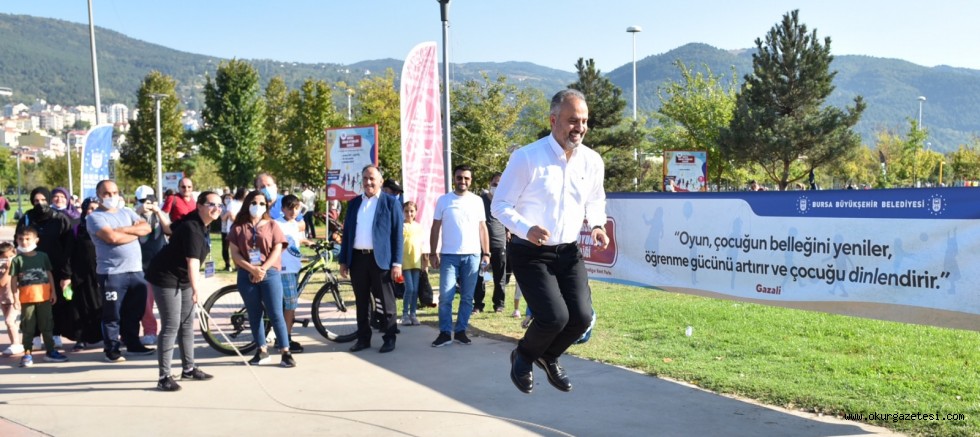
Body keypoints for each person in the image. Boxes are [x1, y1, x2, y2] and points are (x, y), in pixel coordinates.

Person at [491, 89, 609, 394]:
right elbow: (500, 204)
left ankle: (549, 355)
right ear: (553, 120)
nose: (580, 127)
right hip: (530, 253)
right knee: (554, 317)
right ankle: (524, 356)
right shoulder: (527, 157)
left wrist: (596, 225)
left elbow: (595, 199)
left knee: (581, 317)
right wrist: (525, 227)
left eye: (584, 121)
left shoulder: (592, 161)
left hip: (569, 252)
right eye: (572, 120)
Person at [145, 191, 221, 391]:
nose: (216, 208)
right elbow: (193, 262)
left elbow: (170, 229)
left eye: (219, 205)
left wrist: (192, 287)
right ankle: (164, 376)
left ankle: (188, 368)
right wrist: (197, 290)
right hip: (165, 276)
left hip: (183, 277)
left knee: (187, 323)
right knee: (171, 324)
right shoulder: (193, 228)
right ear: (200, 205)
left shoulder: (201, 223)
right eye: (211, 204)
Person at [87, 179, 156, 362]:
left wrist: (124, 230)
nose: (111, 197)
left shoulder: (127, 212)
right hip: (112, 273)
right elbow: (111, 238)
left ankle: (133, 344)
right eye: (107, 193)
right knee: (113, 314)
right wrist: (134, 234)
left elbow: (146, 227)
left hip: (135, 271)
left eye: (115, 193)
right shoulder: (95, 217)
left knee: (135, 311)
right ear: (99, 195)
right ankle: (112, 349)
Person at [338, 165, 403, 354]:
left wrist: (397, 263)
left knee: (387, 301)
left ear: (381, 181)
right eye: (365, 178)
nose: (368, 182)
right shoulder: (354, 203)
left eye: (372, 178)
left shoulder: (390, 203)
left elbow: (397, 235)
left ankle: (389, 337)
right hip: (358, 259)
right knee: (362, 302)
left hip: (380, 260)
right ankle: (363, 338)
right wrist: (343, 260)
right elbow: (348, 233)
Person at [228, 190, 295, 367]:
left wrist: (263, 269)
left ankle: (285, 352)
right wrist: (252, 269)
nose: (258, 206)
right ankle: (261, 350)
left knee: (275, 313)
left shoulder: (272, 225)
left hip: (269, 273)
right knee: (254, 313)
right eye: (254, 202)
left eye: (262, 203)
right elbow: (235, 253)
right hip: (246, 273)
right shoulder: (238, 227)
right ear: (247, 204)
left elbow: (278, 248)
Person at [429, 165, 490, 348]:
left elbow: (482, 228)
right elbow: (435, 227)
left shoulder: (477, 201)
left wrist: (486, 253)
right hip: (449, 255)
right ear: (454, 178)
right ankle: (445, 333)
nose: (462, 181)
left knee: (467, 297)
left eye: (466, 178)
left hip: (472, 256)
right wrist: (433, 252)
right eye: (459, 177)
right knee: (446, 297)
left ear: (470, 180)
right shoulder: (443, 200)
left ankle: (461, 331)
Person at [16, 187, 74, 351]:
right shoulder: (27, 218)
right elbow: (18, 240)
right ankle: (34, 336)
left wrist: (66, 273)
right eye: (36, 201)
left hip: (54, 268)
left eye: (43, 200)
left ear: (48, 200)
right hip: (30, 267)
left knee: (54, 302)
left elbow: (68, 246)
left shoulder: (60, 219)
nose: (40, 204)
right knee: (31, 303)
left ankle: (55, 334)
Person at [10, 226, 70, 367]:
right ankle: (27, 354)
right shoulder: (17, 260)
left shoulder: (43, 256)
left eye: (27, 239)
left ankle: (50, 351)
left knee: (47, 325)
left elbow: (49, 274)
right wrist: (15, 298)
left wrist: (53, 292)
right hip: (26, 299)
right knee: (28, 327)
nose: (24, 242)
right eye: (20, 239)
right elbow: (13, 280)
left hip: (44, 297)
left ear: (36, 240)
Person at [135, 185, 171, 347]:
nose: (147, 204)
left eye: (150, 200)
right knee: (145, 303)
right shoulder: (133, 215)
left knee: (167, 302)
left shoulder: (161, 215)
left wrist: (158, 211)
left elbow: (169, 230)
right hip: (141, 266)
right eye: (143, 201)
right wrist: (137, 211)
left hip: (161, 266)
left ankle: (170, 331)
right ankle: (149, 331)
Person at [66, 198, 104, 351]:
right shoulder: (76, 228)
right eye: (89, 208)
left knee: (100, 306)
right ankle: (80, 339)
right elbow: (68, 253)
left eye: (95, 208)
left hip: (100, 273)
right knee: (80, 307)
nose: (92, 211)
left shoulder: (105, 227)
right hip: (80, 275)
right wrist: (67, 275)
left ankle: (102, 336)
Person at [276, 194, 310, 354]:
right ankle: (285, 339)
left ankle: (282, 336)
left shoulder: (295, 225)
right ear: (282, 209)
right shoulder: (277, 224)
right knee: (290, 305)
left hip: (294, 268)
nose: (293, 211)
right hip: (285, 269)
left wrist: (308, 242)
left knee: (287, 304)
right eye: (289, 208)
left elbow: (295, 241)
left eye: (296, 208)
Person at [480, 172, 508, 313]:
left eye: (500, 185)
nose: (496, 187)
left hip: (499, 244)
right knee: (482, 276)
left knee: (500, 277)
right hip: (482, 246)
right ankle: (478, 304)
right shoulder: (481, 200)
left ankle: (499, 304)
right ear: (489, 184)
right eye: (494, 184)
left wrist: (508, 232)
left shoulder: (505, 202)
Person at [399, 201, 425, 326]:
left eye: (411, 211)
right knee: (409, 288)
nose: (409, 213)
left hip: (416, 261)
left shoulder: (418, 226)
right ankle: (404, 314)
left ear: (415, 212)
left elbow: (421, 245)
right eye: (406, 211)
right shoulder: (401, 226)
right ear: (403, 212)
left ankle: (413, 313)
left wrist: (425, 263)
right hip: (405, 261)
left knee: (415, 289)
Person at [0, 242, 23, 356]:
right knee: (9, 323)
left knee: (10, 321)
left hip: (14, 298)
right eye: (4, 257)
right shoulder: (3, 269)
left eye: (10, 256)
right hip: (3, 299)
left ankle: (16, 344)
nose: (8, 259)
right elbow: (2, 283)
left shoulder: (17, 266)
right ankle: (13, 343)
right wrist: (7, 269)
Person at [221, 188, 246, 271]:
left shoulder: (245, 204)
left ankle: (241, 265)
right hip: (233, 229)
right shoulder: (233, 203)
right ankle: (236, 266)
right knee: (234, 249)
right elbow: (231, 217)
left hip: (243, 229)